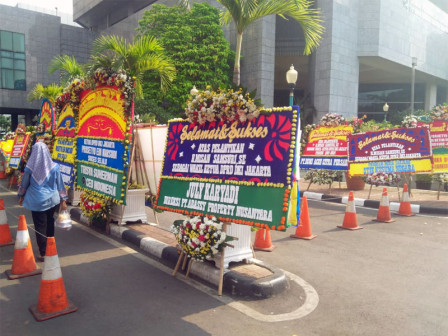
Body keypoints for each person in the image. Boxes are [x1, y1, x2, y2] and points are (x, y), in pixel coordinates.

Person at [17, 142, 68, 261]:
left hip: (37, 201)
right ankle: (51, 248)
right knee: (50, 223)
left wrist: (21, 195)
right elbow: (60, 184)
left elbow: (24, 183)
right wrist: (63, 200)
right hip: (52, 201)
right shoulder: (54, 166)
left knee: (40, 226)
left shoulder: (30, 167)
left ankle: (44, 252)